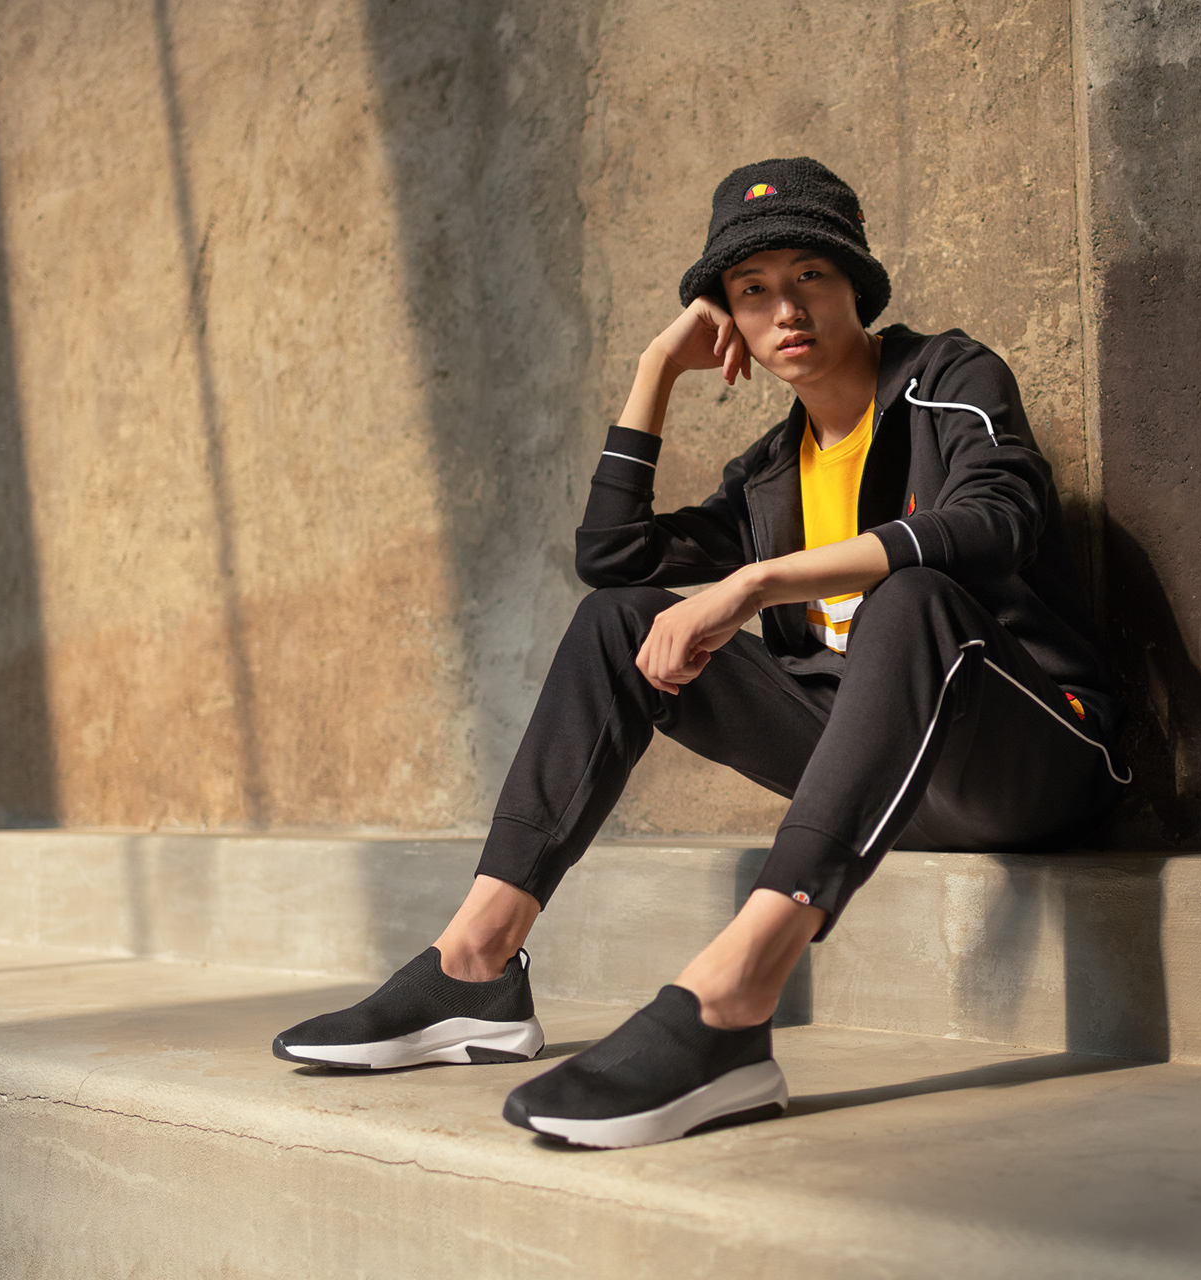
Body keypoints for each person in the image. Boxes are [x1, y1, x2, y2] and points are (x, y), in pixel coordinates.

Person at [272, 157, 1127, 1148]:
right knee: (618, 620)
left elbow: (998, 518)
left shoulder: (948, 379)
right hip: (877, 769)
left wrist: (756, 582)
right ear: (729, 319)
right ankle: (475, 964)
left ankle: (734, 997)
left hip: (1032, 758)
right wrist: (655, 371)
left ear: (855, 282)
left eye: (809, 275)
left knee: (912, 596)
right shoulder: (768, 472)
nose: (786, 309)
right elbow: (612, 558)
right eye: (752, 290)